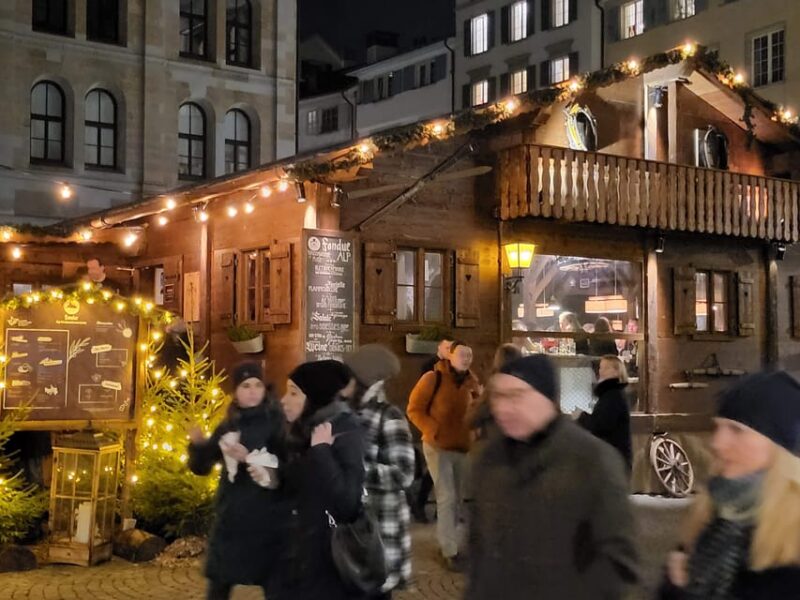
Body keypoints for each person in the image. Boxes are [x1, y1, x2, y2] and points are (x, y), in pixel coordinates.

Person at [467, 355, 638, 599]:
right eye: (498, 396)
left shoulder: (593, 461)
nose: (503, 407)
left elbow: (618, 566)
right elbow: (479, 552)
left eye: (516, 395)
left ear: (546, 397)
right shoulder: (489, 460)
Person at [658, 371, 800, 600]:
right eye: (718, 428)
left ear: (779, 447)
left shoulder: (792, 539)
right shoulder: (714, 512)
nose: (717, 443)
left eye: (737, 430)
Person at [187, 362, 285, 600]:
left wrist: (249, 457)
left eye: (257, 385)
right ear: (236, 392)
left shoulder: (276, 421)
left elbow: (286, 463)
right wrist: (198, 446)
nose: (252, 390)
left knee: (274, 582)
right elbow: (202, 466)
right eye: (246, 385)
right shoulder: (229, 424)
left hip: (266, 515)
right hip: (232, 516)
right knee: (220, 583)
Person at [270, 360, 366, 600]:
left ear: (314, 397)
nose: (284, 400)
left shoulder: (344, 430)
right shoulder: (302, 431)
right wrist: (272, 477)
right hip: (300, 556)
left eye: (293, 393)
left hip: (329, 564)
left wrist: (322, 452)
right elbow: (299, 488)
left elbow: (348, 504)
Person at [344, 345, 415, 599]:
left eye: (347, 379)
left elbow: (404, 473)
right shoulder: (344, 414)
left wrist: (359, 470)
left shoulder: (390, 416)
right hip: (349, 535)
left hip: (380, 532)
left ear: (365, 382)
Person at [407, 341, 481, 571]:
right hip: (436, 445)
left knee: (457, 498)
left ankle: (453, 543)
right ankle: (448, 549)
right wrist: (432, 429)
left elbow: (478, 407)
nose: (466, 358)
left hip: (461, 445)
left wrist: (475, 429)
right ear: (450, 355)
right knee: (447, 496)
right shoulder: (432, 378)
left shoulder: (472, 382)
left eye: (469, 354)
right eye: (462, 354)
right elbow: (414, 408)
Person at [411, 338, 451, 523]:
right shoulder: (429, 367)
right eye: (447, 347)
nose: (449, 350)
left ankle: (442, 511)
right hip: (433, 423)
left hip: (449, 424)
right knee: (435, 469)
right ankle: (420, 505)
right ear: (439, 348)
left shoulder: (454, 367)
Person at [576, 354, 633, 470]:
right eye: (601, 367)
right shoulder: (611, 394)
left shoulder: (613, 395)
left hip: (613, 460)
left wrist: (581, 416)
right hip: (613, 458)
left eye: (606, 368)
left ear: (616, 372)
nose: (601, 371)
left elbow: (600, 426)